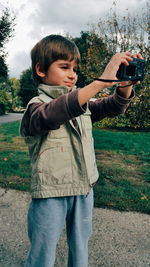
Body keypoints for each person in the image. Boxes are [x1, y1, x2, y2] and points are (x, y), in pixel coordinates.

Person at [20, 34, 143, 267]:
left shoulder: (82, 103)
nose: (72, 74)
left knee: (80, 250)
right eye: (64, 67)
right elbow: (56, 112)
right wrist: (100, 82)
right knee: (42, 254)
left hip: (84, 189)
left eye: (75, 68)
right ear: (40, 70)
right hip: (50, 193)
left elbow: (113, 106)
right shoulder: (36, 107)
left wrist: (124, 85)